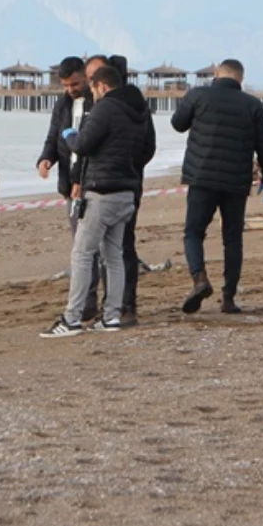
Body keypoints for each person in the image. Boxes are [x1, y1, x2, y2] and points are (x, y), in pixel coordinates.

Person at [41, 66, 146, 337]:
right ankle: (111, 316)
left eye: (93, 88)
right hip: (127, 190)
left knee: (82, 254)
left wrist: (69, 135)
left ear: (100, 86)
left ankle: (72, 318)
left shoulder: (106, 109)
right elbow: (145, 148)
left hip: (102, 192)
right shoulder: (136, 111)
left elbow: (83, 145)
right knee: (113, 256)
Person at [171, 59, 263, 315]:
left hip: (202, 177)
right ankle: (228, 297)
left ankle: (200, 279)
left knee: (194, 233)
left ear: (216, 75)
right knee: (232, 238)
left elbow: (177, 124)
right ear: (241, 79)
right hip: (235, 180)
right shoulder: (253, 105)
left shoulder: (198, 95)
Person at [86, 54, 156, 326]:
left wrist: (125, 165)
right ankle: (113, 306)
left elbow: (147, 146)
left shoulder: (119, 106)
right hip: (121, 180)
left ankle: (124, 305)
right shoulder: (132, 103)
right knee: (111, 248)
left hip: (118, 183)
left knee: (118, 247)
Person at [37, 56, 101, 320]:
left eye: (74, 83)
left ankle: (102, 302)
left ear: (85, 77)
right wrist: (45, 159)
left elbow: (90, 146)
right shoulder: (62, 105)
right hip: (69, 185)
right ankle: (87, 302)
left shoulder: (96, 103)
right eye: (65, 85)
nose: (70, 89)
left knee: (95, 248)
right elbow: (53, 136)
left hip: (92, 181)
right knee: (79, 246)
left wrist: (80, 179)